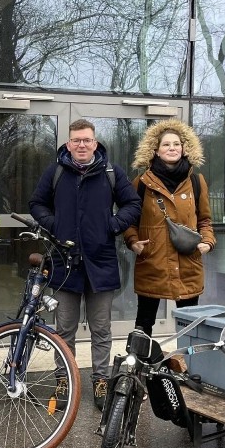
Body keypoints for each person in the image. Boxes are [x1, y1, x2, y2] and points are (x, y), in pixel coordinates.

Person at [29, 119, 141, 410]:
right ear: (68, 144)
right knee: (64, 328)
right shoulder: (55, 172)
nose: (81, 145)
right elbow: (36, 204)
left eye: (86, 140)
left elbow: (133, 204)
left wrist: (112, 225)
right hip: (64, 261)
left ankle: (101, 381)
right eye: (76, 140)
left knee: (101, 329)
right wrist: (56, 225)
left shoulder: (111, 172)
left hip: (101, 261)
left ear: (95, 143)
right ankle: (64, 379)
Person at [123, 120, 216, 337]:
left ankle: (188, 367)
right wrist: (133, 242)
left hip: (188, 264)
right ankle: (140, 366)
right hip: (152, 263)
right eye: (166, 145)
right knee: (144, 325)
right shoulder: (141, 183)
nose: (172, 148)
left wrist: (207, 242)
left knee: (190, 328)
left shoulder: (196, 181)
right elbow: (129, 220)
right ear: (155, 150)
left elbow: (205, 220)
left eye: (176, 144)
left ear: (185, 148)